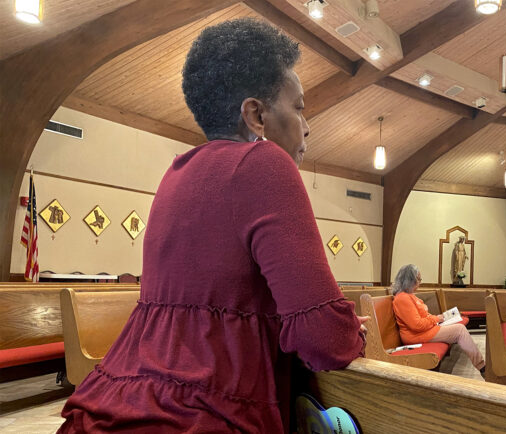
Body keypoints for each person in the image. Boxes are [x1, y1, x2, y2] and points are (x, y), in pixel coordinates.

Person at [59, 19, 366, 433]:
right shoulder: (266, 164)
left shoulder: (177, 172)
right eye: (298, 107)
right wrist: (349, 330)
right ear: (255, 115)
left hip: (118, 401)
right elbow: (325, 340)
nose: (306, 125)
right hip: (202, 414)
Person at [390, 264, 485, 374]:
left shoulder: (409, 296)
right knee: (460, 330)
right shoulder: (402, 298)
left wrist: (438, 318)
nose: (420, 282)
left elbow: (424, 316)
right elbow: (417, 325)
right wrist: (436, 319)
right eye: (419, 279)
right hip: (415, 335)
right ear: (410, 280)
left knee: (456, 326)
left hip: (424, 331)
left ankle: (481, 365)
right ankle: (482, 367)